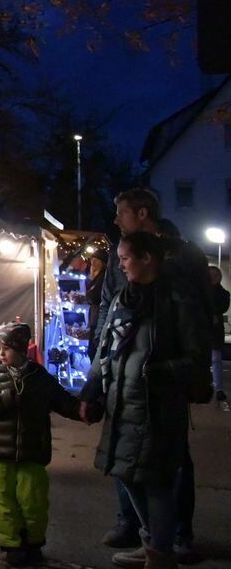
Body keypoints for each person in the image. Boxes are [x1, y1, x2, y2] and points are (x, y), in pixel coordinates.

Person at [84, 188, 209, 560]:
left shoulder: (182, 259)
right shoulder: (121, 272)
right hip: (126, 386)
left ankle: (172, 538)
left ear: (142, 213)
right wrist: (98, 372)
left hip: (159, 393)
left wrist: (173, 373)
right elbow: (109, 308)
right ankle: (140, 530)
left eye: (121, 213)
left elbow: (199, 321)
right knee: (124, 463)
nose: (116, 220)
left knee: (165, 468)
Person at [0, 322, 83, 567]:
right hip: (0, 452)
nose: (1, 353)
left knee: (34, 500)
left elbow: (62, 401)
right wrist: (9, 395)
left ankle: (34, 543)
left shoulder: (39, 377)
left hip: (32, 451)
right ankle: (12, 545)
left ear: (21, 349)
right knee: (4, 501)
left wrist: (83, 410)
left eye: (6, 348)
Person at [208, 265, 230, 411]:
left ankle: (219, 389)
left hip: (215, 332)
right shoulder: (199, 291)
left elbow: (222, 307)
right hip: (202, 331)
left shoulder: (223, 294)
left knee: (216, 360)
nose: (213, 278)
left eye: (215, 275)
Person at [86, 249, 108, 360]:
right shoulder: (96, 277)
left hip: (98, 317)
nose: (93, 263)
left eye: (96, 260)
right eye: (92, 260)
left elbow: (94, 296)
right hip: (94, 316)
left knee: (93, 350)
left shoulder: (102, 277)